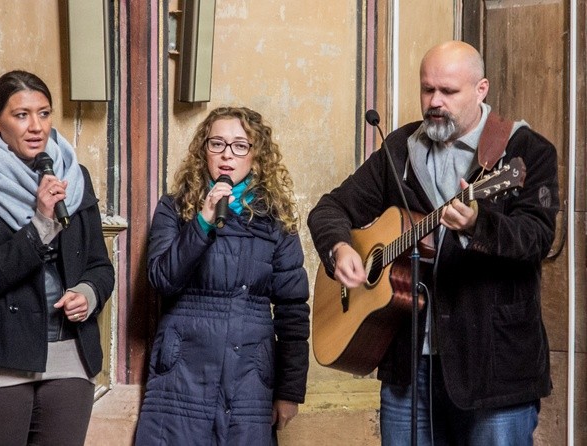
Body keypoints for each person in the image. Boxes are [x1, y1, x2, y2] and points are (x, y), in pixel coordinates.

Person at [308, 41, 558, 445]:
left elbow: (537, 238)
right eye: (427, 90)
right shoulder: (399, 151)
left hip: (494, 369)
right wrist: (340, 249)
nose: (434, 102)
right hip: (408, 367)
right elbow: (329, 209)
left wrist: (480, 225)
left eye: (448, 91)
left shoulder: (525, 151)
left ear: (481, 89)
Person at [0, 70, 115, 446]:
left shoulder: (74, 177)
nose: (36, 126)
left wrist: (88, 292)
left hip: (70, 360)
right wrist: (39, 223)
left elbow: (99, 266)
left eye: (44, 113)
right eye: (21, 115)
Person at [135, 106, 310, 445]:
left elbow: (293, 310)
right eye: (217, 144)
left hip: (248, 377)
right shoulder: (176, 207)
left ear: (256, 156)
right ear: (204, 151)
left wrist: (289, 391)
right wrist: (201, 222)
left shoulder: (275, 218)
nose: (227, 154)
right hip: (183, 371)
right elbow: (161, 279)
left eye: (240, 145)